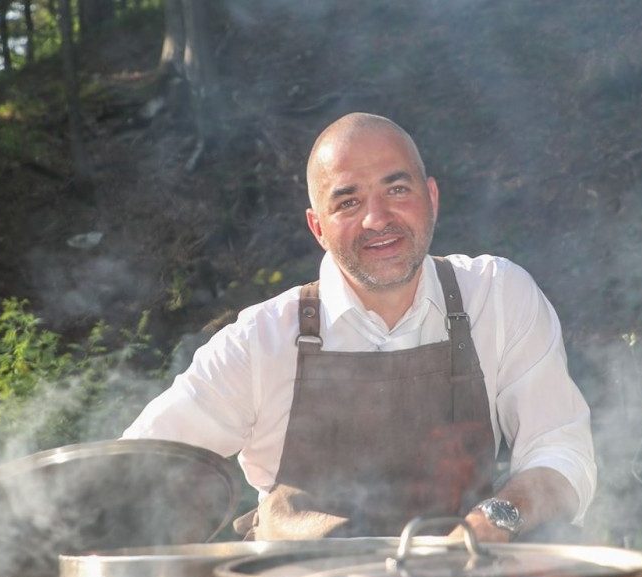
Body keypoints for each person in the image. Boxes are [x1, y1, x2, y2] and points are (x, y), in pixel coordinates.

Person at [123, 113, 595, 542]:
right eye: (348, 202)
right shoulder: (259, 343)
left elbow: (560, 447)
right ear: (317, 227)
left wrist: (495, 519)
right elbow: (138, 475)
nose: (377, 219)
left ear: (431, 197)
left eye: (397, 190)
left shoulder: (497, 296)